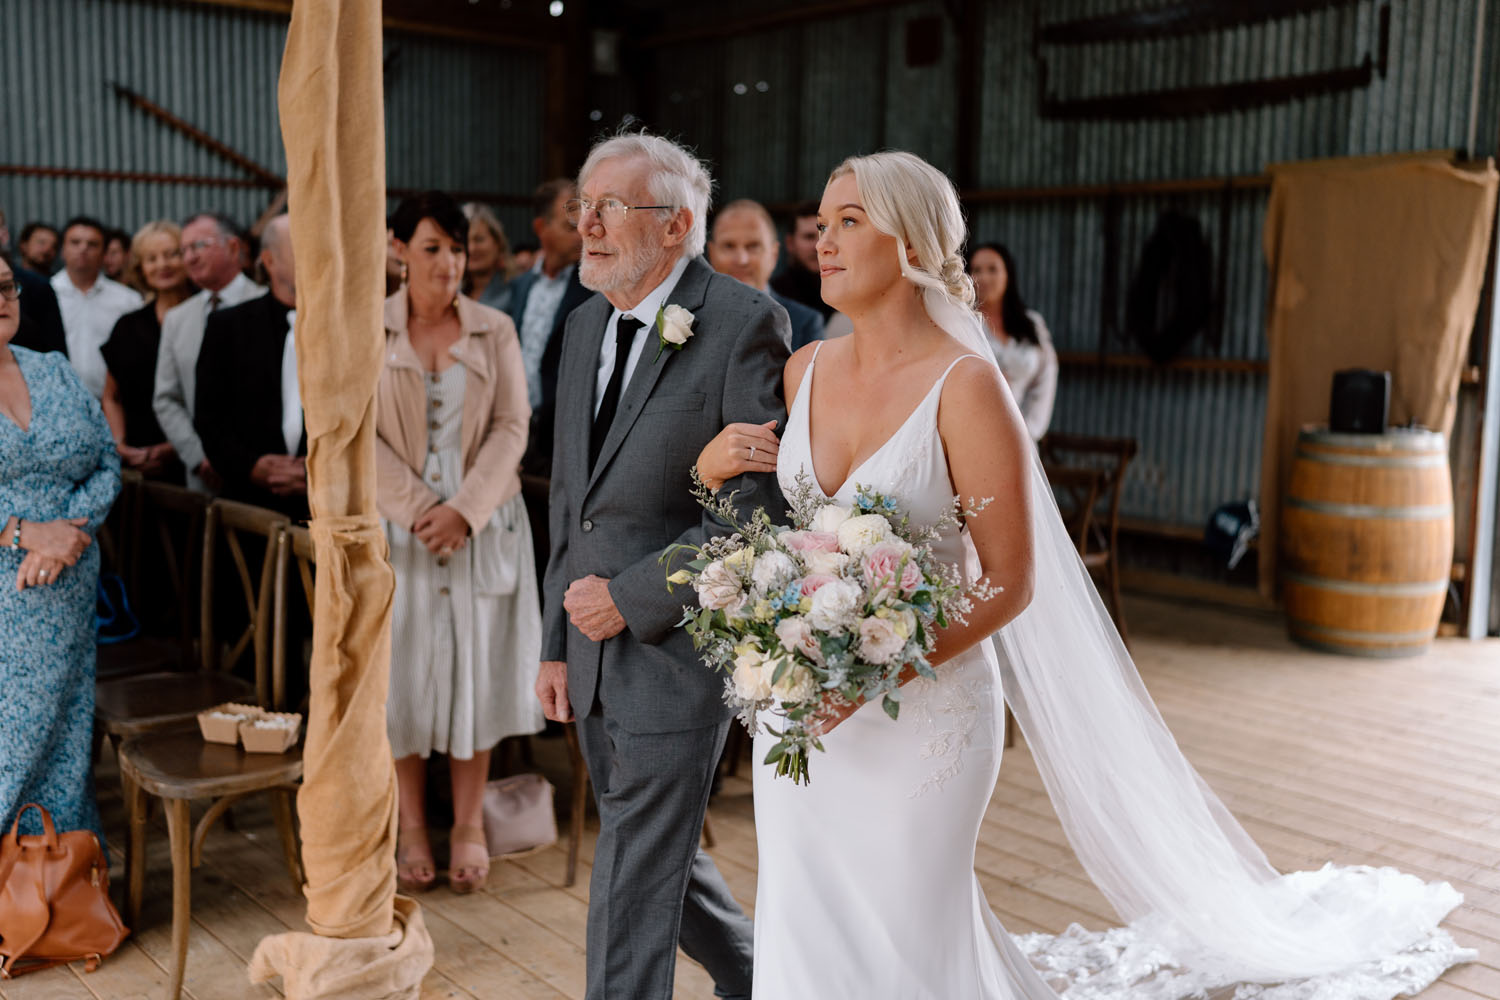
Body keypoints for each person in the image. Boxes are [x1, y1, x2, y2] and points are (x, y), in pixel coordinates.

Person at [693, 151, 1471, 999]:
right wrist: (710, 476)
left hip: (925, 714)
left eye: (850, 221)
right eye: (822, 222)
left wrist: (872, 671)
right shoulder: (803, 370)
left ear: (911, 243)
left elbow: (1011, 579)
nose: (824, 240)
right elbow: (792, 538)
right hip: (805, 715)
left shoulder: (966, 386)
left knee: (913, 933)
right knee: (806, 918)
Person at [534, 132, 789, 1000]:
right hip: (590, 648)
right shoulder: (582, 324)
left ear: (676, 225)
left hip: (676, 650)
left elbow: (756, 518)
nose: (587, 224)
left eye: (610, 207)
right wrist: (557, 641)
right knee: (654, 849)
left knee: (632, 878)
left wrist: (631, 596)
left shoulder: (744, 323)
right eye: (584, 206)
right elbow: (570, 500)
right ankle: (757, 978)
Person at [376, 191, 543, 895]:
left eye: (457, 248)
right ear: (398, 250)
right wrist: (422, 509)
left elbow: (512, 425)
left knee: (476, 666)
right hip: (402, 524)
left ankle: (469, 822)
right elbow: (355, 433)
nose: (448, 262)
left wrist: (464, 511)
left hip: (484, 518)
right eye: (432, 248)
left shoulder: (494, 328)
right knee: (403, 671)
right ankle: (411, 822)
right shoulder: (370, 330)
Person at [0, 252, 122, 842]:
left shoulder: (51, 368)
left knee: (67, 738)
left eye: (6, 287)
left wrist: (68, 534)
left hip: (68, 578)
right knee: (15, 736)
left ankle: (57, 875)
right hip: (8, 586)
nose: (1, 300)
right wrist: (23, 533)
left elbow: (107, 461)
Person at [193, 215, 306, 520]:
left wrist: (319, 472)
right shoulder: (228, 326)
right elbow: (208, 418)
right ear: (269, 261)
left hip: (326, 508)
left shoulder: (347, 329)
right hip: (249, 507)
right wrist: (252, 466)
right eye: (302, 246)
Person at [154, 212, 263, 493]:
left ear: (233, 247)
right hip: (204, 478)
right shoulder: (178, 319)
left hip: (262, 474)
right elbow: (166, 398)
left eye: (199, 246)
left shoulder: (266, 306)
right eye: (184, 250)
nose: (190, 258)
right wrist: (199, 456)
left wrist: (245, 461)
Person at [504, 178, 589, 478]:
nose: (582, 235)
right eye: (570, 227)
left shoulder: (594, 291)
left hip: (561, 435)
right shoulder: (519, 286)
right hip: (516, 428)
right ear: (541, 228)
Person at [100, 221, 193, 483]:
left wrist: (176, 447)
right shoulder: (127, 326)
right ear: (140, 267)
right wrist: (120, 445)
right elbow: (111, 396)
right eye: (151, 258)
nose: (162, 265)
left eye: (171, 254)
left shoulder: (210, 318)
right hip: (138, 462)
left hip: (197, 459)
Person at [708, 198, 824, 350]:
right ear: (712, 253)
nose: (742, 260)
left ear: (774, 255)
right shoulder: (690, 316)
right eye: (729, 246)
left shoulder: (804, 323)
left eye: (753, 246)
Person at [970, 241, 1057, 441]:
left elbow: (1047, 376)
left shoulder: (1031, 324)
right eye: (976, 270)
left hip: (1023, 436)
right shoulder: (964, 323)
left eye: (992, 269)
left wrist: (1029, 431)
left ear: (1008, 274)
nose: (984, 277)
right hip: (975, 434)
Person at [51, 217, 144, 397]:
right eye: (75, 242)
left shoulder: (128, 300)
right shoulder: (46, 295)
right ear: (63, 249)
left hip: (112, 401)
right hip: (58, 400)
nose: (83, 249)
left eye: (92, 244)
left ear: (104, 253)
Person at [768, 200, 832, 320]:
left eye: (824, 235)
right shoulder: (773, 297)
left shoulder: (849, 294)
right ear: (790, 243)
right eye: (809, 237)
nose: (818, 245)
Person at [461, 202, 512, 312]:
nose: (471, 248)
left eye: (479, 239)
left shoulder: (515, 293)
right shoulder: (453, 293)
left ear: (497, 243)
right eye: (465, 241)